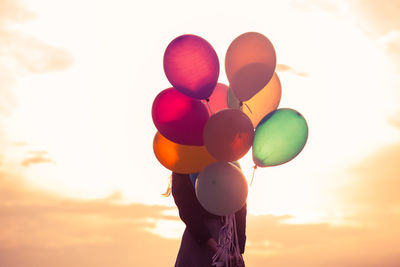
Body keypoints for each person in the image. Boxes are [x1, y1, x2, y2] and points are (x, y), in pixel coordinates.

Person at [167, 172, 247, 267]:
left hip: (226, 242)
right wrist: (221, 252)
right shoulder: (183, 169)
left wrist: (237, 251)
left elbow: (240, 204)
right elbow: (189, 215)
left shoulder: (228, 163)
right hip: (200, 245)